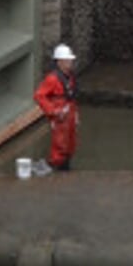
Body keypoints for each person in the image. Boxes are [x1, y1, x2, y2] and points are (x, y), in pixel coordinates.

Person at [33, 43, 79, 172]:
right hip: (59, 115)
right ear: (59, 62)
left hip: (68, 112)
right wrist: (53, 111)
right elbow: (39, 95)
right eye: (67, 60)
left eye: (70, 60)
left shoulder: (69, 77)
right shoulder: (52, 79)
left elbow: (71, 97)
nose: (70, 62)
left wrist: (75, 114)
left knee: (71, 142)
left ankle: (65, 167)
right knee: (60, 143)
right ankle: (55, 166)